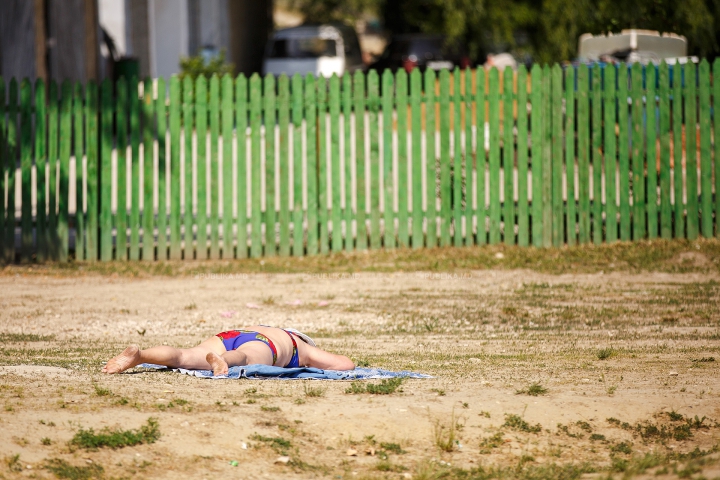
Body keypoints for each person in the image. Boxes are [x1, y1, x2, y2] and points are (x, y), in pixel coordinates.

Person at [102, 325, 355, 375]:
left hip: (231, 334)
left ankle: (140, 356)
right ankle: (222, 361)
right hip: (263, 344)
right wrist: (308, 359)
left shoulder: (271, 328)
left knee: (183, 356)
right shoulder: (299, 345)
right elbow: (345, 364)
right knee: (244, 357)